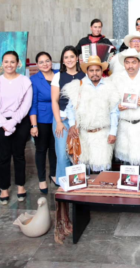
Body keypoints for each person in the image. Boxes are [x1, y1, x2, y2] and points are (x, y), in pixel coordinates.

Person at [62, 56, 121, 172]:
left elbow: (114, 112)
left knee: (102, 167)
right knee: (84, 168)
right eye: (91, 70)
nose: (95, 73)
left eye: (97, 70)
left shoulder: (110, 87)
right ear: (87, 72)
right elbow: (70, 108)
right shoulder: (78, 86)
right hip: (83, 134)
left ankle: (100, 190)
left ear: (101, 71)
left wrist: (113, 132)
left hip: (102, 134)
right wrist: (72, 124)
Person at [0, 51, 33, 204]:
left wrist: (12, 122)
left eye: (12, 62)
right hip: (0, 123)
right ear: (2, 63)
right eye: (6, 62)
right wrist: (3, 123)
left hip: (20, 122)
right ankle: (4, 188)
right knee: (4, 157)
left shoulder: (25, 81)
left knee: (19, 155)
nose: (9, 65)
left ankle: (21, 186)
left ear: (18, 63)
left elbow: (26, 105)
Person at [51, 46, 86, 184]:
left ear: (77, 58)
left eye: (72, 56)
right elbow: (54, 100)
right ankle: (62, 184)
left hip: (80, 121)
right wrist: (59, 122)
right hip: (63, 119)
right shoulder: (58, 76)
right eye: (66, 57)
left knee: (78, 153)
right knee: (62, 154)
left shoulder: (84, 75)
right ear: (63, 60)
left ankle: (79, 183)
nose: (69, 60)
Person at [29, 51, 57, 194]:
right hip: (42, 119)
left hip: (59, 118)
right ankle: (41, 179)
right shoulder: (34, 80)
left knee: (55, 149)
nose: (45, 64)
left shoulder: (59, 74)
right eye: (41, 62)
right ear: (37, 65)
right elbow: (32, 104)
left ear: (52, 62)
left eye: (47, 61)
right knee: (41, 150)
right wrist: (33, 125)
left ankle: (53, 174)